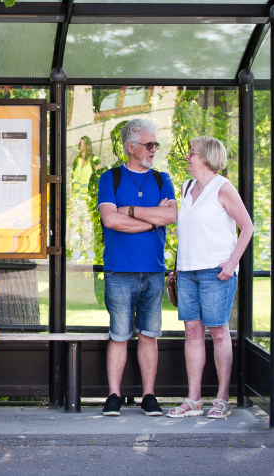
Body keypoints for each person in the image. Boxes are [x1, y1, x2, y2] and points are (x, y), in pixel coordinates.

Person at [167, 137, 253, 419]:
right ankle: (193, 399)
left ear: (207, 157)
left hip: (216, 272)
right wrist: (178, 266)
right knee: (192, 332)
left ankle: (222, 399)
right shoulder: (187, 186)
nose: (188, 157)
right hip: (188, 271)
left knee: (218, 331)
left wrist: (232, 263)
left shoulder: (223, 187)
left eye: (192, 153)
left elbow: (247, 227)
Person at [96, 118, 177, 417]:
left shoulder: (161, 179)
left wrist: (130, 212)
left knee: (149, 334)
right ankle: (113, 396)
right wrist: (150, 221)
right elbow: (110, 220)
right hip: (119, 271)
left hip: (154, 271)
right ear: (131, 147)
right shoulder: (111, 178)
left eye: (155, 143)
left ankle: (149, 397)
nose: (154, 149)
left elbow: (170, 216)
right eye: (149, 144)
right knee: (118, 334)